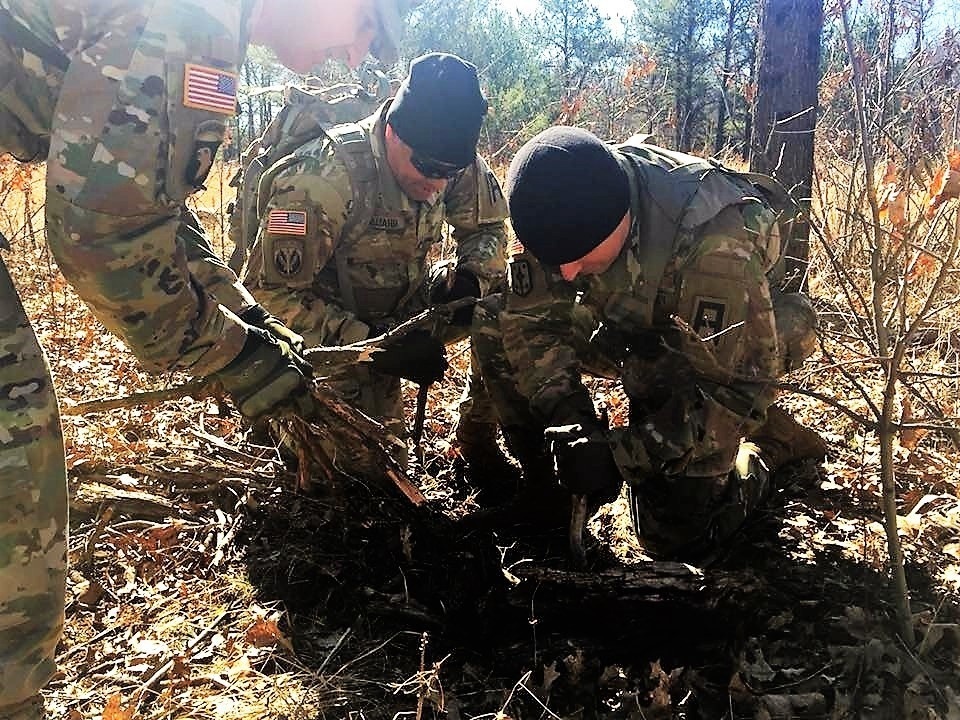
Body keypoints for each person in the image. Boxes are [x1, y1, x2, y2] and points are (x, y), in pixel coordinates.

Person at [0, 1, 417, 718]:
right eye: (366, 28)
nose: (355, 58)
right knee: (15, 456)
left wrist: (248, 321)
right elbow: (104, 244)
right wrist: (236, 355)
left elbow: (151, 203)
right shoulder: (191, 22)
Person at [464, 125, 819, 559]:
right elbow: (529, 321)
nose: (569, 273)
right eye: (558, 260)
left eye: (580, 255)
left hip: (724, 351)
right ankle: (547, 488)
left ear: (621, 218)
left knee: (675, 537)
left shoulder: (716, 240)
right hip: (627, 322)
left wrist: (618, 457)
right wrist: (571, 416)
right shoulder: (554, 197)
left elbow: (735, 392)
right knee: (492, 321)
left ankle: (772, 443)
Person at [242, 52, 509, 467]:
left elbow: (489, 229)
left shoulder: (449, 159)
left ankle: (478, 438)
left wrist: (471, 281)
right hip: (328, 338)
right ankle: (275, 419)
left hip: (405, 309)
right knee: (375, 473)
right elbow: (265, 297)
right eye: (428, 168)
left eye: (450, 173)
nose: (438, 185)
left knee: (505, 303)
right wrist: (373, 346)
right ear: (393, 133)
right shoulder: (322, 179)